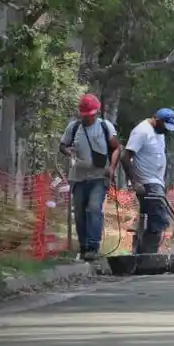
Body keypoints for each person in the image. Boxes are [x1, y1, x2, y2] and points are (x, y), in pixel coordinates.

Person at [59, 94, 120, 261]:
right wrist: (68, 152)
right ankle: (84, 246)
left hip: (99, 177)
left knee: (93, 208)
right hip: (78, 177)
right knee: (79, 212)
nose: (89, 117)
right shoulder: (74, 127)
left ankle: (94, 246)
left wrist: (112, 168)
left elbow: (116, 148)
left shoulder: (105, 127)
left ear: (97, 112)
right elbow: (63, 145)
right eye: (86, 114)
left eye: (92, 114)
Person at [120, 108, 174, 254]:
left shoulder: (159, 133)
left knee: (152, 219)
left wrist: (164, 181)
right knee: (159, 219)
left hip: (156, 181)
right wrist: (135, 182)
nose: (166, 131)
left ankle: (141, 253)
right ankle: (148, 255)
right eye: (165, 127)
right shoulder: (142, 131)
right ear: (157, 120)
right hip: (146, 181)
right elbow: (126, 157)